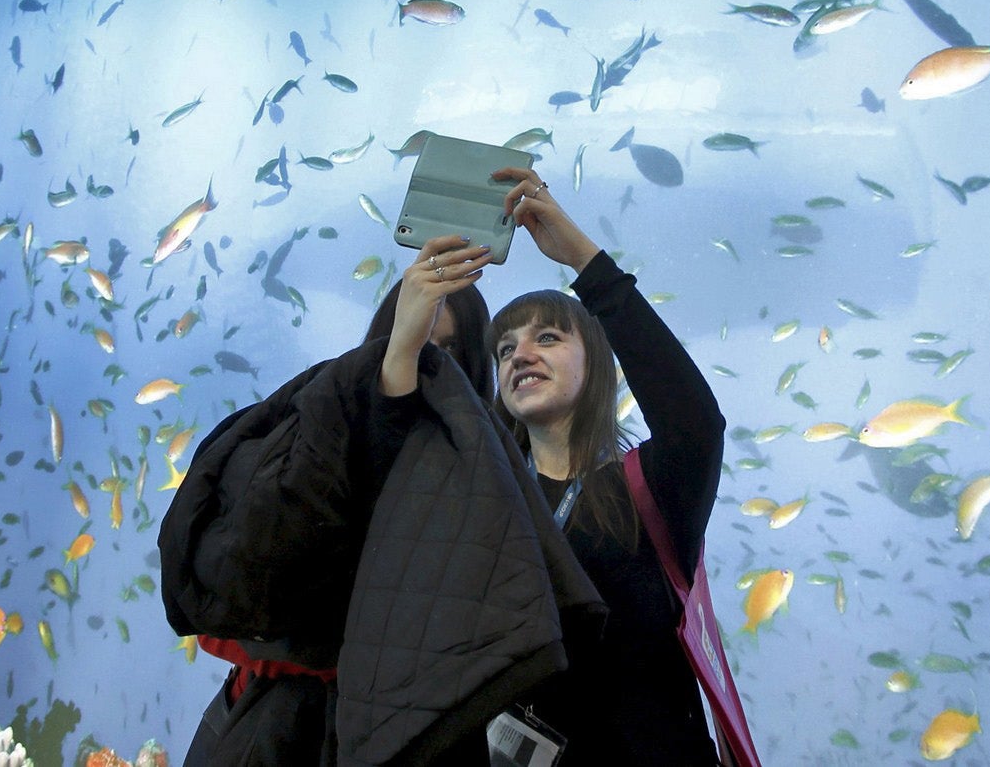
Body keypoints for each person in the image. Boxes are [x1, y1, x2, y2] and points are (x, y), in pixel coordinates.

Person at [159, 225, 607, 765]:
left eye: (447, 352)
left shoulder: (489, 484)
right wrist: (395, 365)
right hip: (283, 726)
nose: (429, 367)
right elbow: (283, 536)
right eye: (415, 339)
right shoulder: (323, 421)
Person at [484, 168, 728, 763]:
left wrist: (583, 261)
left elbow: (697, 424)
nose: (520, 354)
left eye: (547, 338)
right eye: (504, 348)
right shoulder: (487, 507)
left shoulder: (649, 488)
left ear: (595, 364)